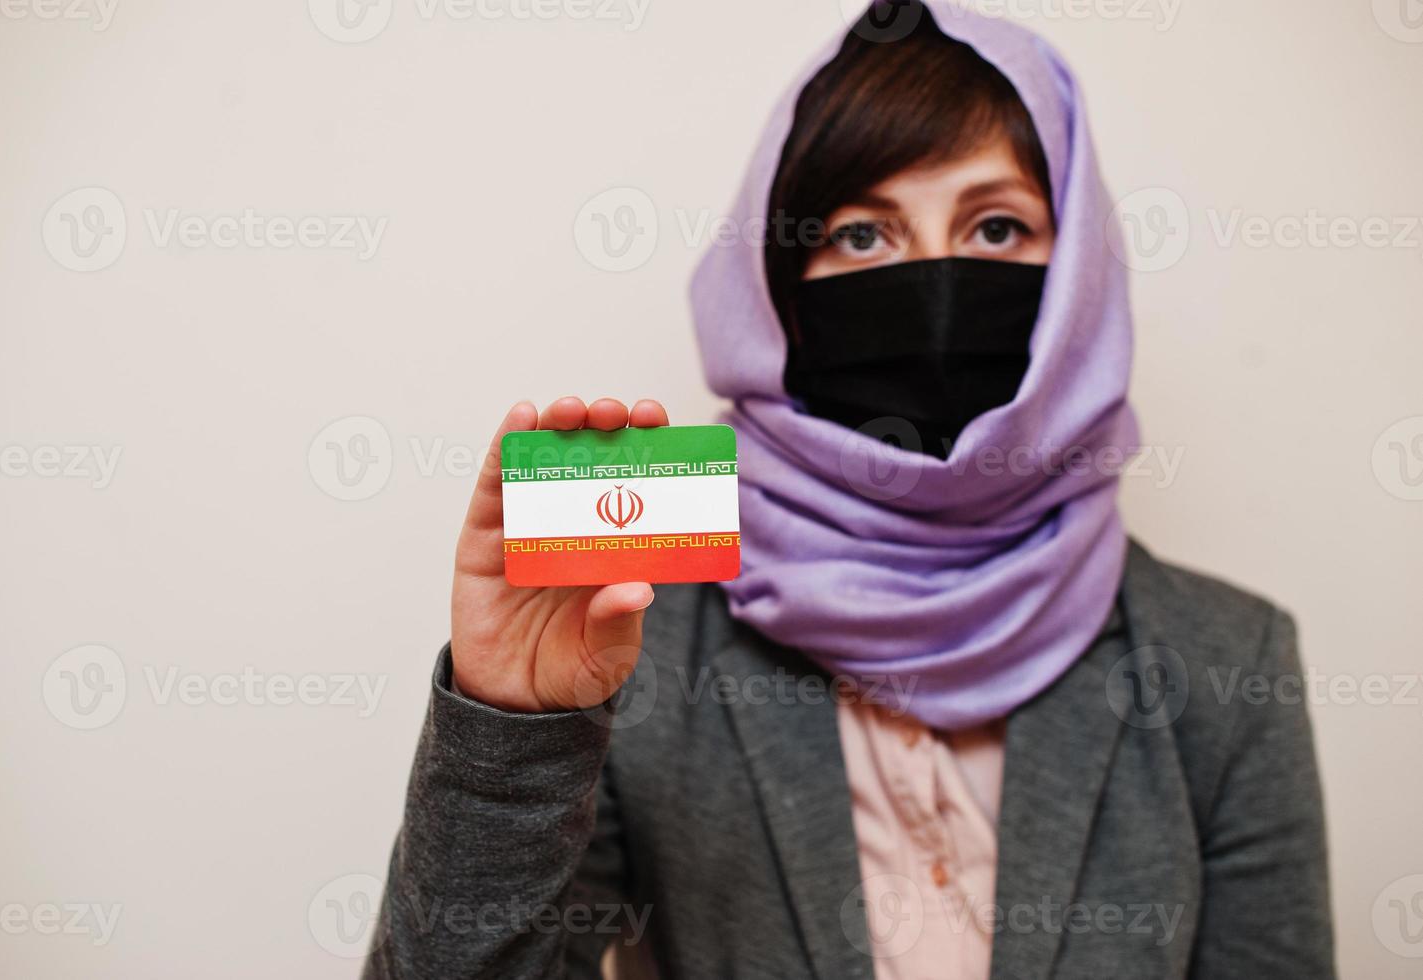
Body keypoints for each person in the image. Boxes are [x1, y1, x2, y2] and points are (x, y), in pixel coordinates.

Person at [363, 2, 1334, 977]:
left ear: (1078, 274)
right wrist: (511, 729)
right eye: (863, 235)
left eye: (998, 226)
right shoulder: (629, 637)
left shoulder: (1225, 662)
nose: (933, 284)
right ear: (779, 285)